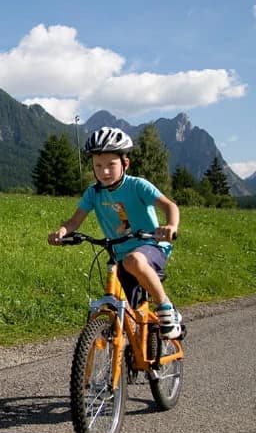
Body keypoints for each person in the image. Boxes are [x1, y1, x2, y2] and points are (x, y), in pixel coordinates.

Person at [47, 126, 182, 339]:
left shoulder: (138, 186)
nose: (104, 172)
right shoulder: (93, 193)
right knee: (128, 307)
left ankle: (167, 308)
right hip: (119, 255)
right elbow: (74, 221)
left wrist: (170, 227)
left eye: (111, 165)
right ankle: (132, 353)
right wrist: (62, 232)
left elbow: (169, 206)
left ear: (125, 163)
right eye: (98, 166)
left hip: (151, 246)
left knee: (133, 260)